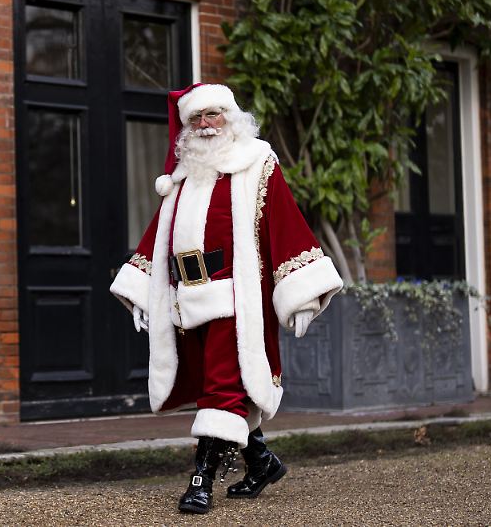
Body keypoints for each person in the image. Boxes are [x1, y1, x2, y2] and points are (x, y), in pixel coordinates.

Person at [110, 82, 342, 514]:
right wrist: (142, 291)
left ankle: (201, 480)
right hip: (186, 297)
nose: (204, 125)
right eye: (195, 118)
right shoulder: (181, 176)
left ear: (231, 119)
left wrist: (302, 294)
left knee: (220, 385)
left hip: (235, 300)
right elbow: (157, 238)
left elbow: (286, 223)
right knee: (214, 384)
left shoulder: (257, 163)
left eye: (212, 115)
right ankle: (262, 462)